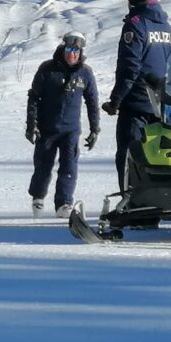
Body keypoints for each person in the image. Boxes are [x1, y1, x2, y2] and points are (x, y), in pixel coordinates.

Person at [102, 0, 171, 193]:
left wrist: (116, 100)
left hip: (137, 104)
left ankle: (135, 206)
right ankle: (158, 202)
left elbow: (130, 67)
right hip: (164, 107)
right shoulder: (169, 29)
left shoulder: (136, 25)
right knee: (158, 156)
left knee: (131, 155)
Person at [26, 31, 100, 218]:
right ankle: (38, 197)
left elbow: (92, 102)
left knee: (69, 167)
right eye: (69, 49)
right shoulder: (47, 69)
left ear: (81, 52)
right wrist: (31, 125)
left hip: (71, 131)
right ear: (63, 48)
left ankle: (64, 203)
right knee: (43, 166)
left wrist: (94, 129)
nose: (72, 54)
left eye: (76, 50)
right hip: (47, 128)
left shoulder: (85, 73)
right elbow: (33, 98)